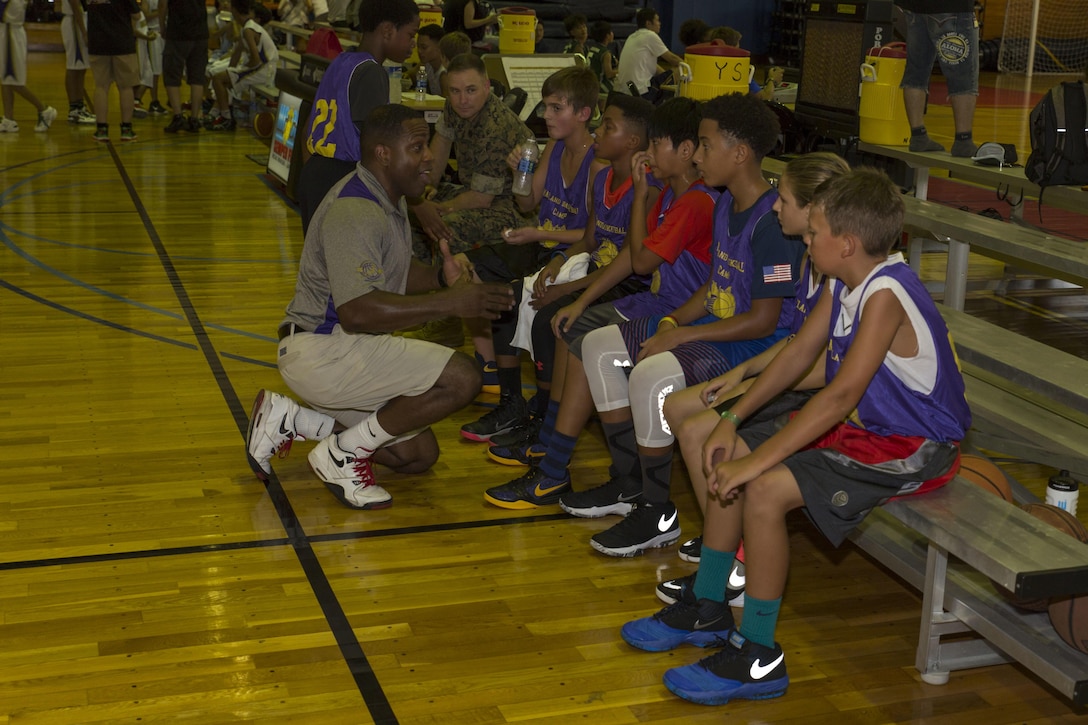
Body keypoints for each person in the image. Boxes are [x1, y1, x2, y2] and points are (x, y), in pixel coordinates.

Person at [620, 168, 971, 707]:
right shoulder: (846, 281)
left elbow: (837, 396)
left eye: (814, 234)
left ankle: (758, 651)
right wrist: (732, 421)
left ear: (846, 243)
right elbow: (797, 356)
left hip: (914, 447)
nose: (804, 240)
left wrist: (753, 462)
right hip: (867, 431)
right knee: (730, 451)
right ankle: (711, 602)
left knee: (762, 488)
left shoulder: (887, 295)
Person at [560, 93, 802, 557]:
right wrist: (672, 320)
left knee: (652, 376)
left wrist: (683, 333)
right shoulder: (725, 204)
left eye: (706, 145)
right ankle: (631, 486)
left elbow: (764, 319)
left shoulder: (772, 223)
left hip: (754, 344)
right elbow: (714, 286)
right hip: (715, 324)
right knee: (599, 347)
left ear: (740, 154)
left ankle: (658, 512)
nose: (698, 154)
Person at [245, 104, 516, 509]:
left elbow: (396, 275)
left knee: (416, 456)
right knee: (462, 377)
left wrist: (442, 278)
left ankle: (293, 420)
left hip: (341, 350)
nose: (428, 157)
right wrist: (452, 302)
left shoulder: (388, 197)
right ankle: (343, 456)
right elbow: (357, 311)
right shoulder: (354, 209)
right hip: (324, 350)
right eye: (417, 147)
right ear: (383, 154)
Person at [481, 96, 718, 509]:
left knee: (580, 339)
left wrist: (641, 195)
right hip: (655, 301)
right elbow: (629, 253)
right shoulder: (672, 194)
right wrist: (581, 298)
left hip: (671, 310)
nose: (648, 153)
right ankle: (555, 457)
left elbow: (640, 259)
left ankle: (558, 465)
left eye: (656, 144)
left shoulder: (692, 199)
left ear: (683, 152)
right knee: (572, 327)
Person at [655, 152, 850, 601]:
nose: (775, 208)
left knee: (704, 430)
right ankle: (722, 544)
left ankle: (735, 561)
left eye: (783, 201)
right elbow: (798, 344)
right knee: (679, 409)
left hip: (817, 395)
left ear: (814, 210)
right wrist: (743, 373)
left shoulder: (835, 272)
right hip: (795, 379)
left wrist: (746, 391)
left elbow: (821, 364)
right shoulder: (806, 258)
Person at [466, 94, 656, 456]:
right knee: (507, 300)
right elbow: (589, 239)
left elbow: (632, 262)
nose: (599, 130)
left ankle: (544, 418)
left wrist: (570, 288)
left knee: (549, 321)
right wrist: (556, 265)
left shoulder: (646, 190)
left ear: (632, 142)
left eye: (608, 126)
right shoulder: (603, 181)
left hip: (625, 285)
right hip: (593, 271)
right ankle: (514, 405)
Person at [455, 65, 602, 444]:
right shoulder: (553, 147)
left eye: (557, 109)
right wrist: (520, 172)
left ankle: (541, 408)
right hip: (543, 244)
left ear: (583, 113)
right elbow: (527, 203)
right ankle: (510, 400)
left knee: (526, 304)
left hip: (573, 253)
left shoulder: (596, 161)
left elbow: (590, 236)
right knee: (485, 280)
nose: (546, 116)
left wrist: (539, 233)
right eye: (546, 108)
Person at [298, 0, 420, 234]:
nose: (413, 43)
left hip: (314, 173)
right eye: (411, 34)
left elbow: (307, 130)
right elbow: (376, 147)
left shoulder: (341, 62)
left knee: (322, 263)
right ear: (387, 30)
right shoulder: (372, 72)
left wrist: (312, 177)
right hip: (344, 180)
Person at [897, 0, 978, 156]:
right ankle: (964, 140)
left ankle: (917, 135)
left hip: (912, 6)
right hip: (951, 8)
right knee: (963, 73)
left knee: (916, 70)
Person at [87, 0, 152, 143]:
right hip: (123, 42)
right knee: (126, 87)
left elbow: (86, 9)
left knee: (101, 86)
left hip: (97, 42)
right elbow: (136, 15)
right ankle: (126, 130)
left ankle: (102, 129)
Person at [207, 0, 277, 130]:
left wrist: (240, 70)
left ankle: (226, 118)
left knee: (218, 79)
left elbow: (256, 60)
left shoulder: (248, 30)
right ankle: (219, 113)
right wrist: (231, 71)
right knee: (221, 79)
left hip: (264, 69)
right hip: (262, 67)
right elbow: (236, 54)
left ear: (235, 11)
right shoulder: (246, 27)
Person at [0, 0, 58, 133]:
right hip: (7, 31)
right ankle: (9, 119)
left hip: (10, 32)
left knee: (13, 80)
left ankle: (43, 109)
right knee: (6, 79)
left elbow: (2, 11)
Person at [160, 0, 209, 133]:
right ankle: (194, 118)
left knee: (171, 75)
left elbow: (163, 4)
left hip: (178, 31)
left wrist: (162, 26)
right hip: (200, 32)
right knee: (197, 77)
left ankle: (178, 116)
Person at [616, 7, 681, 99]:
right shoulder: (650, 35)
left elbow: (653, 66)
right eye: (657, 20)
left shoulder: (632, 36)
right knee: (679, 70)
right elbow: (673, 59)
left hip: (626, 90)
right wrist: (691, 68)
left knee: (669, 75)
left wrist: (666, 76)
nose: (660, 24)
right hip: (641, 91)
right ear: (648, 23)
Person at [59, 0, 97, 124]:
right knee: (74, 66)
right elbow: (75, 5)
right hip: (74, 22)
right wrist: (84, 32)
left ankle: (79, 106)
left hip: (78, 20)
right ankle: (75, 109)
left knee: (80, 68)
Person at [133, 0, 166, 116]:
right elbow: (146, 16)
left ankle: (138, 100)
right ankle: (151, 101)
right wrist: (162, 11)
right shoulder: (147, 2)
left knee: (154, 72)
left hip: (162, 35)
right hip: (152, 35)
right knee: (152, 72)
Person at [585, 20, 617, 106]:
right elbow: (609, 74)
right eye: (611, 32)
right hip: (601, 86)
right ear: (607, 36)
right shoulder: (605, 53)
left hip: (591, 85)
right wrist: (621, 70)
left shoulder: (592, 48)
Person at [414, 23, 446, 96]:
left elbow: (447, 105)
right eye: (418, 47)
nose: (419, 51)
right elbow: (410, 74)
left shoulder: (444, 73)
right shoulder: (427, 65)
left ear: (439, 47)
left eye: (424, 47)